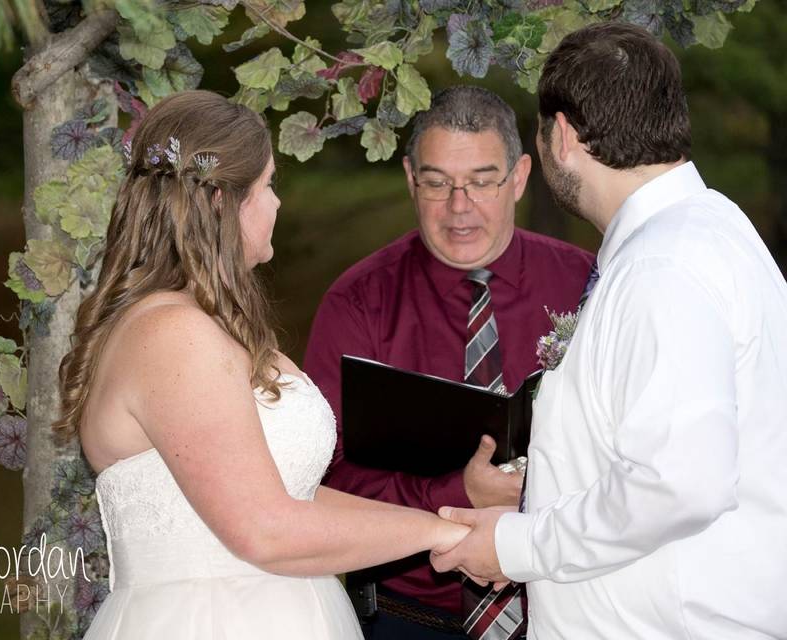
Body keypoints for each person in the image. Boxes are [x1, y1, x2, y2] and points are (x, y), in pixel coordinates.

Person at [51, 90, 471, 640]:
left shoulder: (203, 325)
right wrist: (437, 536)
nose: (278, 203)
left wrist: (444, 523)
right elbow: (264, 530)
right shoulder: (173, 335)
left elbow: (287, 497)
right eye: (269, 184)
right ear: (225, 201)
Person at [431, 23, 787, 640]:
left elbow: (681, 484)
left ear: (562, 135)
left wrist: (521, 546)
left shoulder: (663, 267)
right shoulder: (706, 229)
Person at [303, 86, 594, 639]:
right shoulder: (358, 303)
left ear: (520, 176)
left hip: (569, 610)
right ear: (412, 179)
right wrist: (458, 495)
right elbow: (322, 485)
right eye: (437, 183)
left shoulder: (587, 286)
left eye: (482, 181)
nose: (459, 207)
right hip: (410, 618)